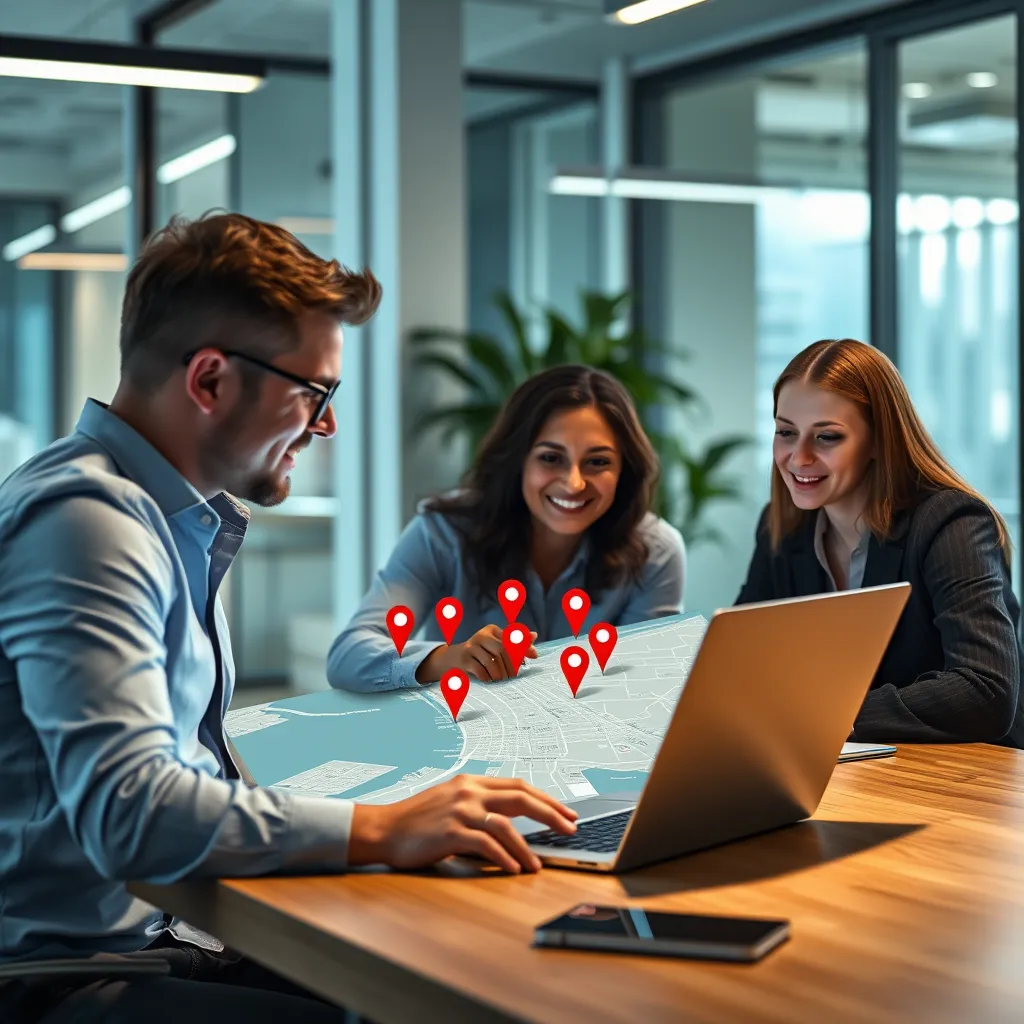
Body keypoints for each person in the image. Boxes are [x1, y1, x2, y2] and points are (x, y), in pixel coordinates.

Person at [0, 212, 578, 1024]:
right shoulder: (88, 522)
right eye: (315, 391)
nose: (326, 423)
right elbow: (132, 811)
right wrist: (379, 828)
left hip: (158, 936)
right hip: (58, 979)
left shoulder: (170, 518)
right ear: (209, 381)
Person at [736, 338, 1024, 747]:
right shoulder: (781, 527)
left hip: (968, 774)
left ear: (878, 440)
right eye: (786, 432)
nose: (798, 457)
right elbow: (741, 662)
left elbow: (985, 689)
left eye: (827, 437)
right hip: (846, 768)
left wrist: (827, 717)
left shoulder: (951, 524)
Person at [327, 365, 686, 692]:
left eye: (598, 462)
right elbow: (350, 654)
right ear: (518, 461)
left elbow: (645, 684)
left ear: (624, 470)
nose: (574, 484)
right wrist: (451, 658)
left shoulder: (656, 550)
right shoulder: (442, 532)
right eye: (550, 458)